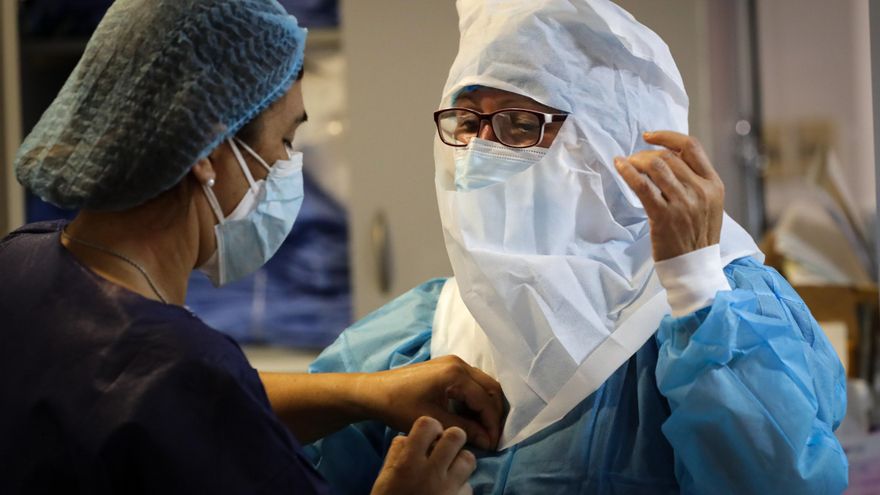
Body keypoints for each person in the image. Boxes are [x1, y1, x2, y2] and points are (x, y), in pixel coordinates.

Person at [306, 1, 849, 494]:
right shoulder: (421, 334)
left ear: (610, 139)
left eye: (519, 124)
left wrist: (694, 284)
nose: (478, 151)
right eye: (467, 122)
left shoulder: (721, 313)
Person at [0, 1, 504, 493]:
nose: (288, 164)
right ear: (208, 153)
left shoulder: (21, 258)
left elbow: (195, 407)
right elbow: (188, 397)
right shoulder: (174, 366)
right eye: (285, 141)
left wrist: (363, 393)